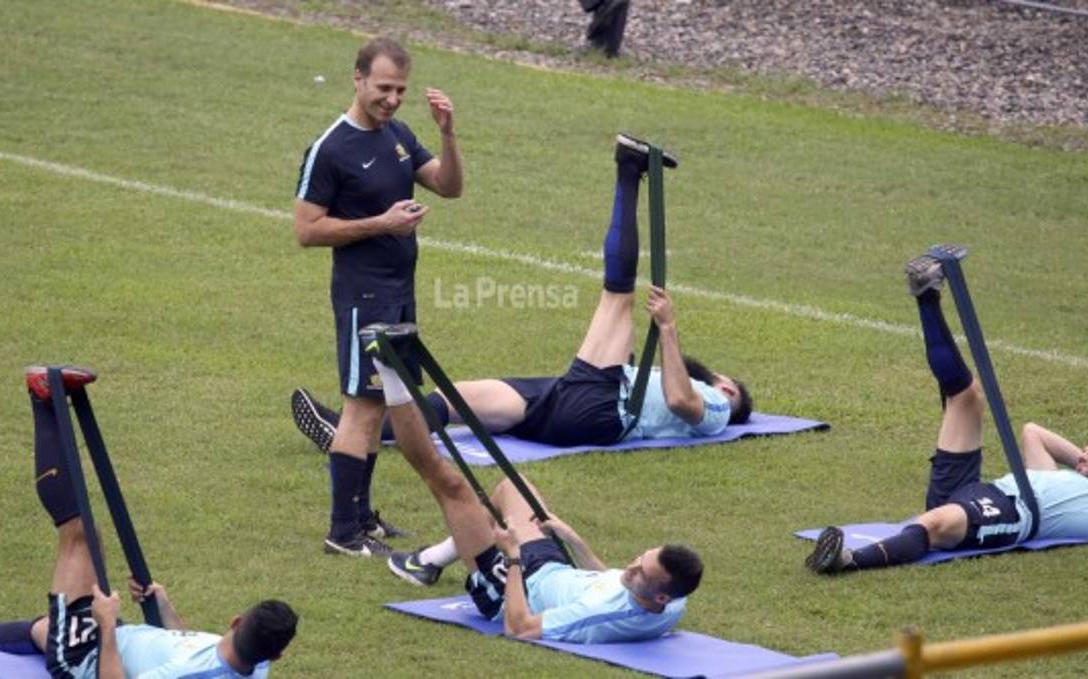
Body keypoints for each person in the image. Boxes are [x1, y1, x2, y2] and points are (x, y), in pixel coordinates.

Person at [293, 133, 752, 457]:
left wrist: (669, 330)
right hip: (571, 394)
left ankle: (628, 170)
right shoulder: (670, 382)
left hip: (600, 408)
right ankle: (350, 432)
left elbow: (680, 403)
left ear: (728, 388)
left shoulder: (716, 406)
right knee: (456, 399)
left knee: (617, 295)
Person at [0, 366, 299, 677]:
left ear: (236, 621)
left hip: (87, 659)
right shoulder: (257, 664)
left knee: (80, 536)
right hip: (120, 639)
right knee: (49, 628)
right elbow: (186, 646)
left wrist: (107, 625)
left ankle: (41, 396)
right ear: (277, 655)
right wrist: (164, 607)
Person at [365, 330, 704, 642]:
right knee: (513, 487)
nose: (629, 568)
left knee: (447, 481)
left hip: (517, 589)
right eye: (638, 559)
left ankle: (390, 373)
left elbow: (520, 627)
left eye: (640, 572)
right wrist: (575, 540)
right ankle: (431, 561)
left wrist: (512, 559)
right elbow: (610, 581)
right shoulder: (671, 602)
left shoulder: (602, 617)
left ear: (659, 595)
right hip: (553, 569)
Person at [805, 251, 1088, 574]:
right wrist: (1086, 463)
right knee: (966, 397)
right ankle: (926, 293)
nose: (1084, 455)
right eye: (1085, 450)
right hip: (978, 490)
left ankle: (846, 560)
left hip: (1012, 513)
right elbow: (1033, 432)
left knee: (933, 524)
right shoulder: (1059, 477)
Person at [291, 36, 464, 557]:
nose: (391, 99)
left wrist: (448, 134)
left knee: (382, 403)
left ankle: (362, 518)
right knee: (362, 408)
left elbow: (449, 186)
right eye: (383, 88)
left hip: (399, 292)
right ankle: (343, 533)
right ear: (358, 78)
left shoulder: (398, 134)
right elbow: (306, 230)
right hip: (364, 295)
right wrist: (381, 223)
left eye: (401, 91)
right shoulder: (331, 149)